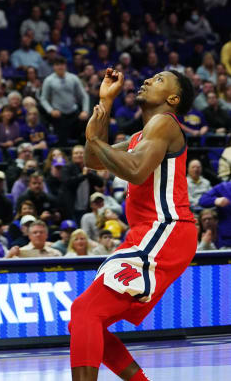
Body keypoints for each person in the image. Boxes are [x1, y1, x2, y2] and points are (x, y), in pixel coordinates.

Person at [68, 67, 197, 380]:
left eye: (159, 80)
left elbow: (136, 170)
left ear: (173, 97)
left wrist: (94, 137)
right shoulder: (141, 136)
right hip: (149, 232)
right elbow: (93, 159)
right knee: (83, 319)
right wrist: (105, 103)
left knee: (86, 311)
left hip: (166, 227)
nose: (148, 80)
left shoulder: (165, 123)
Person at [39, 56, 88, 145]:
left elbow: (84, 96)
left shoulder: (73, 78)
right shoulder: (49, 80)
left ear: (65, 66)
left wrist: (85, 111)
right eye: (57, 65)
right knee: (62, 141)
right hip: (59, 115)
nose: (60, 67)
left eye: (62, 64)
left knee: (84, 134)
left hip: (74, 113)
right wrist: (51, 111)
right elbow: (43, 99)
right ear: (54, 67)